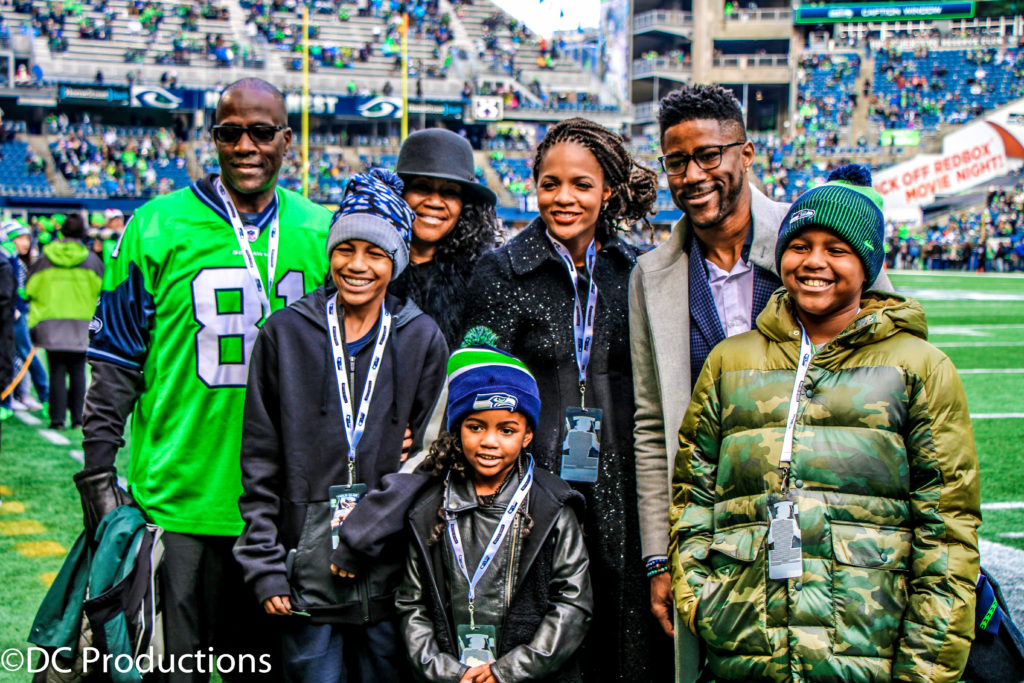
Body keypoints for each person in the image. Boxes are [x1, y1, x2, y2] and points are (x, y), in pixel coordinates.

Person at [670, 166, 980, 682]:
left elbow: (946, 533)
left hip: (868, 647)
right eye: (801, 245)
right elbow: (693, 494)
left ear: (867, 265)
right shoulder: (731, 360)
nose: (814, 261)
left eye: (837, 249)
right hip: (746, 645)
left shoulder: (919, 367)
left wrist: (925, 666)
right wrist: (704, 602)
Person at [628, 85, 891, 680]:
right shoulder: (651, 275)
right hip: (711, 532)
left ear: (745, 154)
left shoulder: (815, 236)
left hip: (827, 523)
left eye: (709, 156)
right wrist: (656, 557)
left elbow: (890, 357)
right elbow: (650, 424)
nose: (693, 174)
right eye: (676, 161)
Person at [77, 77, 332, 681]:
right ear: (212, 138)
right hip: (180, 500)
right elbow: (115, 359)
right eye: (230, 132)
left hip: (281, 511)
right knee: (175, 673)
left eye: (262, 132)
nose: (246, 145)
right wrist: (96, 468)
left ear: (286, 141)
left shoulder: (323, 231)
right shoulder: (156, 225)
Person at [461, 117, 671, 680]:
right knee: (544, 644)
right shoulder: (500, 271)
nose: (564, 198)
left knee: (622, 651)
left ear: (608, 190)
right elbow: (478, 395)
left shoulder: (638, 272)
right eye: (550, 183)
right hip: (534, 496)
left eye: (581, 184)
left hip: (624, 491)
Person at [234, 169, 448, 682]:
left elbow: (431, 459)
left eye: (376, 253)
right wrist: (265, 565)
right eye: (345, 249)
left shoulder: (421, 338)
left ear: (395, 261)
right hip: (306, 581)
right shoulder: (284, 335)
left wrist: (368, 533)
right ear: (329, 254)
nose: (358, 265)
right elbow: (259, 460)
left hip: (392, 577)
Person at [395, 344, 592, 683]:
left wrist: (508, 671)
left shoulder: (554, 506)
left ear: (528, 434)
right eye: (475, 427)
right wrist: (447, 672)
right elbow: (411, 605)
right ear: (458, 429)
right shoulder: (428, 509)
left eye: (507, 430)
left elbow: (573, 604)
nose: (489, 441)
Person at [390, 128, 500, 350]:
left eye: (449, 192)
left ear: (464, 205)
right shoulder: (365, 264)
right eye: (422, 187)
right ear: (400, 195)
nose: (434, 202)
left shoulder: (485, 279)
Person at [25, 214, 102, 430]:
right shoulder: (92, 261)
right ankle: (78, 419)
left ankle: (57, 420)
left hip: (50, 324)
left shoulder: (45, 258)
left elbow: (30, 289)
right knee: (78, 372)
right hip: (81, 325)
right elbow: (103, 292)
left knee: (56, 372)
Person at [1, 220, 48, 413]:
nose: (25, 243)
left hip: (19, 315)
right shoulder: (12, 260)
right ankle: (17, 395)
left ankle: (43, 395)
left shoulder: (17, 262)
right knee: (14, 355)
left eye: (26, 238)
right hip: (13, 314)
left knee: (26, 354)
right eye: (20, 239)